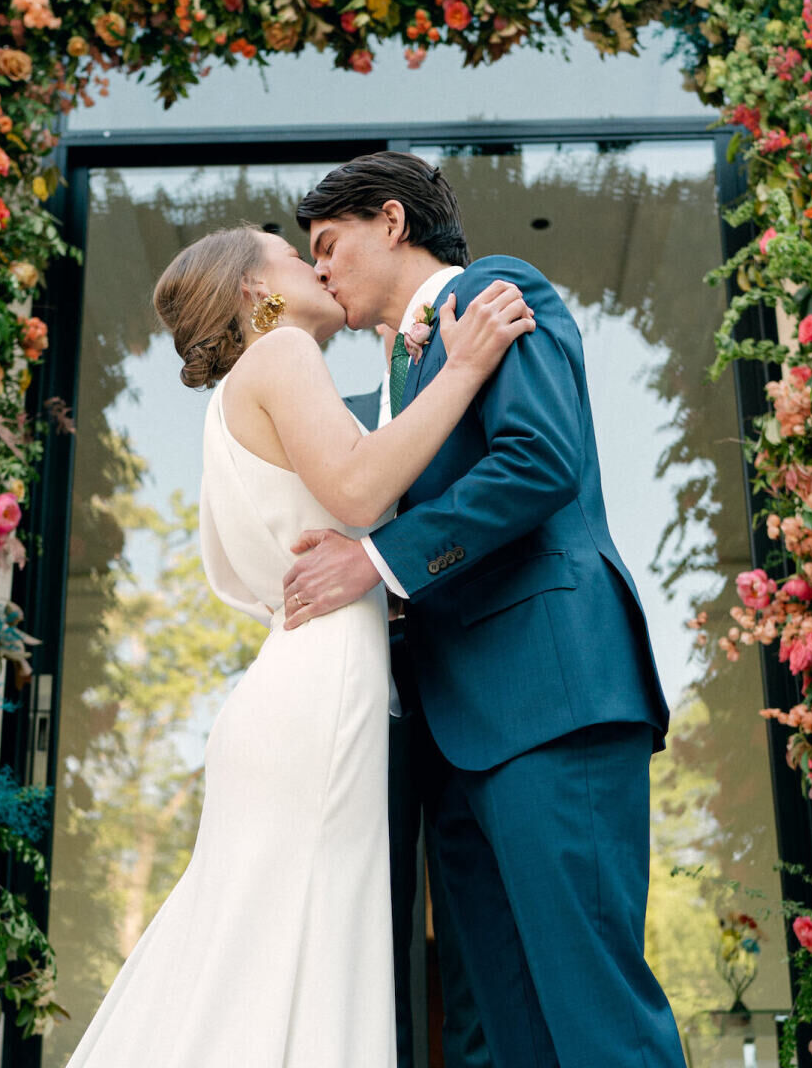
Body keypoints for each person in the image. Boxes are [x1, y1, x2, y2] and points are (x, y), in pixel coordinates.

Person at [64, 223, 534, 1068]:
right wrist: (463, 368)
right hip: (317, 697)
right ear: (256, 290)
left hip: (297, 678)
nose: (315, 265)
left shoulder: (240, 396)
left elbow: (260, 563)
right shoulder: (280, 355)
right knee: (301, 948)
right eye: (292, 254)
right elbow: (359, 482)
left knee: (270, 948)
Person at [282, 151, 686, 1068]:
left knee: (596, 1013)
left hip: (550, 697)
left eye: (328, 244)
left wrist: (376, 562)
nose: (318, 270)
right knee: (504, 1030)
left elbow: (538, 462)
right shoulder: (396, 376)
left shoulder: (498, 290)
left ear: (391, 222)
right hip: (452, 735)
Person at [344, 330, 491, 1068]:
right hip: (370, 683)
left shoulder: (474, 394)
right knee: (369, 918)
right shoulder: (333, 418)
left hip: (473, 667)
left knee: (477, 924)